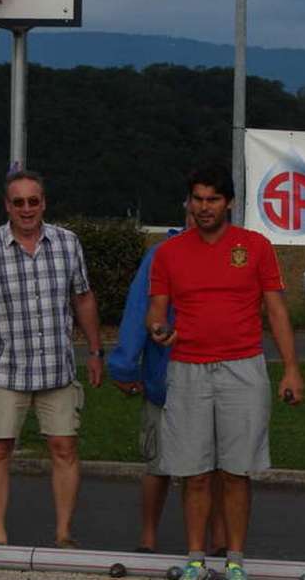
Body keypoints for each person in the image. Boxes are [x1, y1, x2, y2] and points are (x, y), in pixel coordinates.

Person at [147, 163, 304, 580]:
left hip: (243, 368)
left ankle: (235, 559)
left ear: (229, 202)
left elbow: (275, 310)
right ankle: (195, 558)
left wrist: (291, 369)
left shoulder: (255, 246)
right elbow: (157, 309)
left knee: (236, 471)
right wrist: (157, 328)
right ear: (188, 202)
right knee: (194, 473)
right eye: (197, 199)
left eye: (212, 199)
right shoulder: (168, 252)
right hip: (187, 370)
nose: (204, 207)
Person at [0, 170, 103, 548]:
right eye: (19, 202)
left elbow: (83, 297)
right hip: (3, 368)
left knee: (65, 448)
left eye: (34, 201)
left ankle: (63, 534)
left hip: (56, 369)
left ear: (44, 203)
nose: (27, 209)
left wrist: (95, 351)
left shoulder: (68, 242)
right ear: (7, 206)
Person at [108, 210, 226, 555]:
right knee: (159, 466)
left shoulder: (232, 253)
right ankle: (147, 540)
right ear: (187, 211)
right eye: (194, 209)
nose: (201, 216)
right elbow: (137, 311)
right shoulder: (160, 255)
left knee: (218, 466)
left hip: (217, 378)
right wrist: (125, 366)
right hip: (166, 381)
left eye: (210, 205)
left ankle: (218, 543)